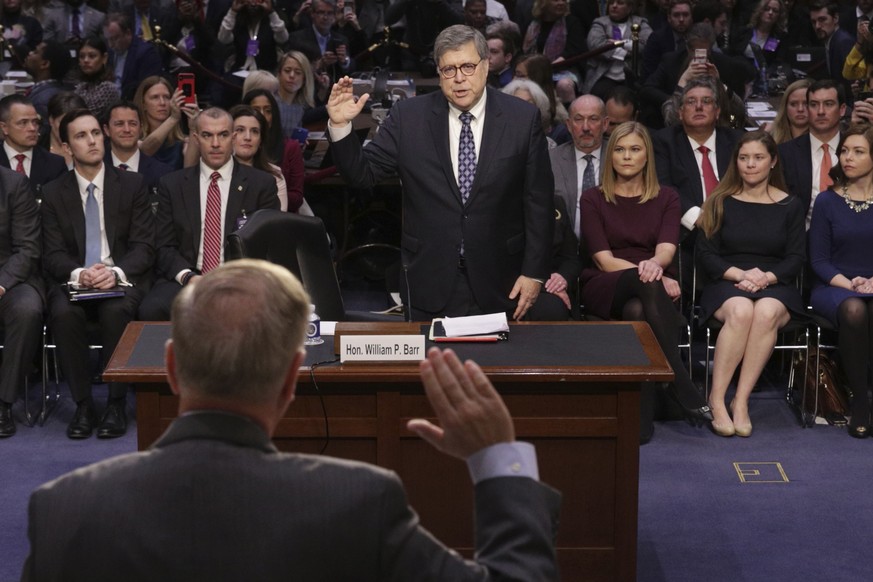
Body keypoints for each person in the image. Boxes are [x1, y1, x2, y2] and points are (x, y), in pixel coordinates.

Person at [21, 259, 561, 580]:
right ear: (290, 380)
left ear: (171, 368)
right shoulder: (359, 502)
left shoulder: (62, 509)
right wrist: (497, 461)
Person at [328, 25, 554, 321]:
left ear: (486, 67)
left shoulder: (521, 119)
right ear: (438, 73)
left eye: (468, 67)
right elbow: (362, 175)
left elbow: (539, 202)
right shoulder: (408, 118)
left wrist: (534, 273)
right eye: (449, 69)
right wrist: (341, 126)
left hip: (501, 281)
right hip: (428, 281)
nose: (459, 78)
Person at [580, 121, 711, 442]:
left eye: (635, 149)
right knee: (647, 289)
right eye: (620, 150)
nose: (627, 157)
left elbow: (666, 249)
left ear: (647, 156)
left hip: (650, 284)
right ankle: (679, 380)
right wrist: (653, 274)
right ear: (611, 156)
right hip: (605, 283)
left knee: (639, 312)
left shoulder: (666, 197)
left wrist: (656, 269)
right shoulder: (592, 198)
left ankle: (641, 422)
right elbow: (603, 260)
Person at [41, 109, 155, 439]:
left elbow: (144, 246)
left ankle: (116, 403)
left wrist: (115, 272)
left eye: (95, 133)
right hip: (76, 280)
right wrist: (80, 273)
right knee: (63, 313)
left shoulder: (132, 184)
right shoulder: (52, 192)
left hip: (121, 277)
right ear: (66, 147)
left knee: (116, 309)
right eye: (81, 136)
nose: (92, 141)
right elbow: (52, 254)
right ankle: (83, 405)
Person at [695, 131, 806, 437]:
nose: (750, 165)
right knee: (742, 311)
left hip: (775, 281)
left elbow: (796, 257)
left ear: (773, 162)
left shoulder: (790, 205)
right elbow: (705, 253)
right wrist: (741, 275)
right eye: (744, 158)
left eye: (758, 158)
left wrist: (766, 278)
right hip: (728, 279)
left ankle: (740, 401)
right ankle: (717, 399)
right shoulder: (719, 200)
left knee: (766, 311)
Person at [138, 107, 280, 321]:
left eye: (223, 135)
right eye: (207, 135)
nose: (215, 144)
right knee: (152, 308)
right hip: (187, 278)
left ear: (233, 138)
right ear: (196, 138)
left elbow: (268, 246)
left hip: (240, 279)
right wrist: (188, 277)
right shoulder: (173, 184)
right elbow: (163, 245)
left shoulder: (261, 184)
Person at [809, 124, 873, 438]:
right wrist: (852, 285)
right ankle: (860, 401)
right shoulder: (827, 201)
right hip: (834, 287)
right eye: (845, 150)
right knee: (855, 309)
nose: (848, 157)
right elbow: (819, 260)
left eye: (858, 151)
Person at [0, 166, 43, 438]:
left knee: (28, 310)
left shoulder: (14, 184)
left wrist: (2, 283)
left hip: (11, 278)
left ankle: (4, 403)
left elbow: (28, 247)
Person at [778, 78, 846, 227]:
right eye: (814, 105)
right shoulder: (784, 153)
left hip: (849, 238)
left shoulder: (857, 149)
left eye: (828, 104)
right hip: (801, 240)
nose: (821, 111)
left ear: (842, 110)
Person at [550, 94, 609, 240]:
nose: (586, 127)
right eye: (578, 119)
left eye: (593, 119)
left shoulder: (618, 157)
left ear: (605, 124)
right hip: (562, 250)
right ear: (569, 125)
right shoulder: (550, 160)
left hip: (612, 248)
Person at [241, 89, 306, 212]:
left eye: (268, 111)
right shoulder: (236, 149)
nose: (262, 116)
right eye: (256, 110)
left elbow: (297, 198)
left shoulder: (290, 148)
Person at [582, 0, 652, 100]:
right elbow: (595, 45)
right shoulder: (600, 22)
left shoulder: (640, 22)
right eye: (611, 3)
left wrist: (618, 44)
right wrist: (628, 49)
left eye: (620, 3)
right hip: (604, 75)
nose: (614, 6)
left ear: (629, 8)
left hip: (631, 75)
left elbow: (647, 44)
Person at [0, 95, 67, 199]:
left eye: (35, 122)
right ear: (4, 128)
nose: (32, 128)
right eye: (23, 123)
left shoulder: (55, 165)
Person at [521, 0, 586, 104]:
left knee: (564, 85)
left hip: (563, 69)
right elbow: (524, 51)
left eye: (564, 0)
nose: (561, 3)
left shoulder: (571, 22)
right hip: (534, 68)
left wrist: (548, 67)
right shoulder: (533, 23)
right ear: (543, 3)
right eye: (556, 0)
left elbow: (573, 51)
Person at [102, 101, 174, 192]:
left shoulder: (163, 173)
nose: (127, 130)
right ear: (107, 130)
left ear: (140, 129)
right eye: (119, 124)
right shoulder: (95, 170)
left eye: (133, 124)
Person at [230, 105, 289, 211]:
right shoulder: (216, 172)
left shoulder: (274, 175)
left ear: (261, 140)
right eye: (240, 130)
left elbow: (277, 220)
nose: (247, 137)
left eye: (255, 131)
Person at [133, 76, 198, 170]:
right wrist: (173, 118)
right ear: (143, 104)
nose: (162, 103)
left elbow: (189, 174)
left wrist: (193, 127)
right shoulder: (133, 138)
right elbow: (145, 151)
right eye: (155, 97)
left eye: (167, 97)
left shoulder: (183, 143)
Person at [103, 11, 163, 100]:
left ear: (128, 33)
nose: (111, 45)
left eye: (115, 39)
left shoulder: (146, 53)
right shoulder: (111, 52)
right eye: (108, 39)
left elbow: (147, 89)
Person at [220, 0, 290, 74]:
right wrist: (233, 12)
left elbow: (283, 39)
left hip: (267, 72)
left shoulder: (273, 18)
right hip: (240, 70)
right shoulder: (236, 18)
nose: (253, 4)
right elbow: (223, 39)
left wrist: (271, 13)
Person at [23, 40, 74, 123]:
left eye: (35, 52)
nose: (30, 53)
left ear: (44, 64)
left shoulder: (43, 101)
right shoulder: (53, 89)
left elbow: (42, 134)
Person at [73, 35, 121, 123]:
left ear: (104, 58)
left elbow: (83, 115)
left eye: (92, 56)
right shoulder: (82, 86)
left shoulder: (108, 88)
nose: (86, 60)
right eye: (82, 56)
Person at [768, 78, 811, 144]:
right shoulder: (771, 138)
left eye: (806, 104)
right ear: (785, 107)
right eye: (793, 104)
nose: (800, 109)